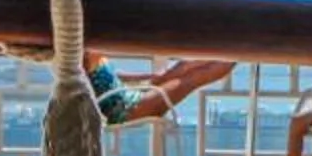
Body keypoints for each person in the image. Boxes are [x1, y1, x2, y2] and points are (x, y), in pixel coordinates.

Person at [87, 54, 236, 125]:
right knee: (194, 78)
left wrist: (147, 77)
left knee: (184, 66)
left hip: (129, 95)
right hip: (127, 110)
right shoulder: (88, 54)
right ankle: (237, 53)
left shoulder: (93, 51)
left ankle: (234, 47)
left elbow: (113, 76)